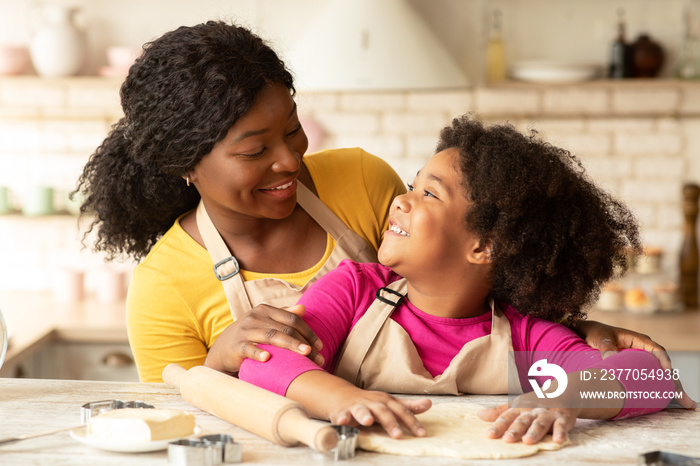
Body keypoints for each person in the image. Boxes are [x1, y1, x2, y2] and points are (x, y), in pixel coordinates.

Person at [75, 20, 678, 386]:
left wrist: (574, 348)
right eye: (256, 149)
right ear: (187, 165)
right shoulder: (164, 287)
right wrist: (220, 366)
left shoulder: (360, 181)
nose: (291, 161)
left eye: (292, 129)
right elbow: (176, 427)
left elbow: (466, 275)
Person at [239, 115, 696, 445]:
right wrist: (342, 398)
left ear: (484, 247)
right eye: (413, 185)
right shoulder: (354, 290)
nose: (401, 200)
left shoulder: (524, 335)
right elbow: (263, 360)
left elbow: (648, 377)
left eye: (428, 194)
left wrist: (565, 400)